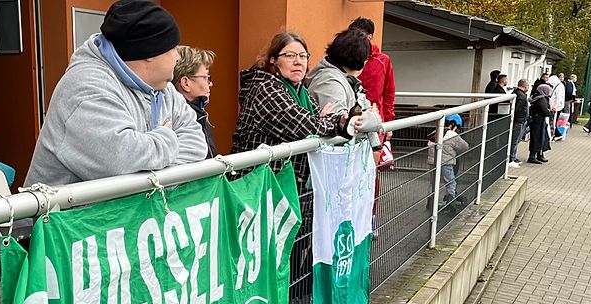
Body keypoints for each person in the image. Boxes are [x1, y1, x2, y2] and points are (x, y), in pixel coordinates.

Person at [26, 0, 207, 186]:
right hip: (68, 205)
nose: (178, 57)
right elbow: (120, 162)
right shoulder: (87, 88)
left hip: (126, 205)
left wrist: (150, 161)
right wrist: (168, 139)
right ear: (150, 53)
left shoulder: (162, 87)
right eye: (173, 49)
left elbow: (197, 143)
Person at [231, 32, 370, 182]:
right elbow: (306, 128)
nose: (298, 62)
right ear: (273, 60)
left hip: (286, 182)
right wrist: (333, 121)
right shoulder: (265, 89)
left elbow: (316, 123)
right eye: (290, 56)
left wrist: (330, 120)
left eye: (303, 56)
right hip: (257, 183)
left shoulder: (302, 91)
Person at [305, 27, 382, 143]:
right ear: (360, 60)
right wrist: (373, 118)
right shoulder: (329, 81)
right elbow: (342, 121)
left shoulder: (345, 78)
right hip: (333, 151)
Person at [173, 45, 219, 158]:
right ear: (186, 83)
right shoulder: (179, 119)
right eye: (206, 78)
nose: (210, 84)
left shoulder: (199, 113)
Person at [349, 18, 395, 124]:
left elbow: (389, 93)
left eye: (360, 36)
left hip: (376, 118)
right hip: (352, 118)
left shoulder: (383, 60)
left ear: (370, 37)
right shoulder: (347, 59)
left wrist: (389, 122)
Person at [427, 114, 470, 208]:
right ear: (453, 125)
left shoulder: (435, 133)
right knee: (450, 182)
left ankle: (430, 202)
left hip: (432, 162)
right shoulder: (452, 135)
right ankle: (450, 203)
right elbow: (464, 147)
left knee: (433, 182)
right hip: (446, 162)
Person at [527, 83, 552, 164]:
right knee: (538, 138)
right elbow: (545, 111)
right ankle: (533, 156)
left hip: (536, 119)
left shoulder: (536, 97)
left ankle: (538, 154)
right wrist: (550, 112)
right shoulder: (541, 99)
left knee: (538, 138)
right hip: (539, 120)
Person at [508, 79, 529, 167]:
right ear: (525, 86)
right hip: (519, 120)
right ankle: (511, 158)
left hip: (519, 120)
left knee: (516, 140)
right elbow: (518, 109)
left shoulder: (517, 93)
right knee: (515, 140)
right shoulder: (521, 96)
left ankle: (513, 157)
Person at [548, 74, 565, 140]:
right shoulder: (559, 86)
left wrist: (555, 106)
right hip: (556, 106)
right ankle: (556, 134)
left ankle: (555, 134)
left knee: (554, 121)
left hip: (557, 107)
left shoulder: (559, 87)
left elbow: (559, 97)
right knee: (553, 121)